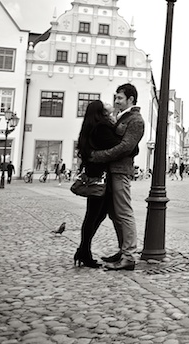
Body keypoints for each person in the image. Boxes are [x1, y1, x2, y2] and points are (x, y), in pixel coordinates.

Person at [89, 83, 144, 271]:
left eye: (120, 98)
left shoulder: (136, 120)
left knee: (124, 213)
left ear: (131, 99)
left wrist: (98, 156)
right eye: (116, 97)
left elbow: (125, 147)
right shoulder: (121, 117)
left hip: (121, 171)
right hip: (111, 171)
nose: (116, 101)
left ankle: (129, 256)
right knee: (115, 214)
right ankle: (123, 251)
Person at [74, 99, 120, 269]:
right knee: (94, 215)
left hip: (94, 175)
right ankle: (84, 251)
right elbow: (117, 144)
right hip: (101, 177)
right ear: (100, 113)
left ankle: (83, 250)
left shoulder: (88, 127)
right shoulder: (101, 127)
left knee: (96, 215)